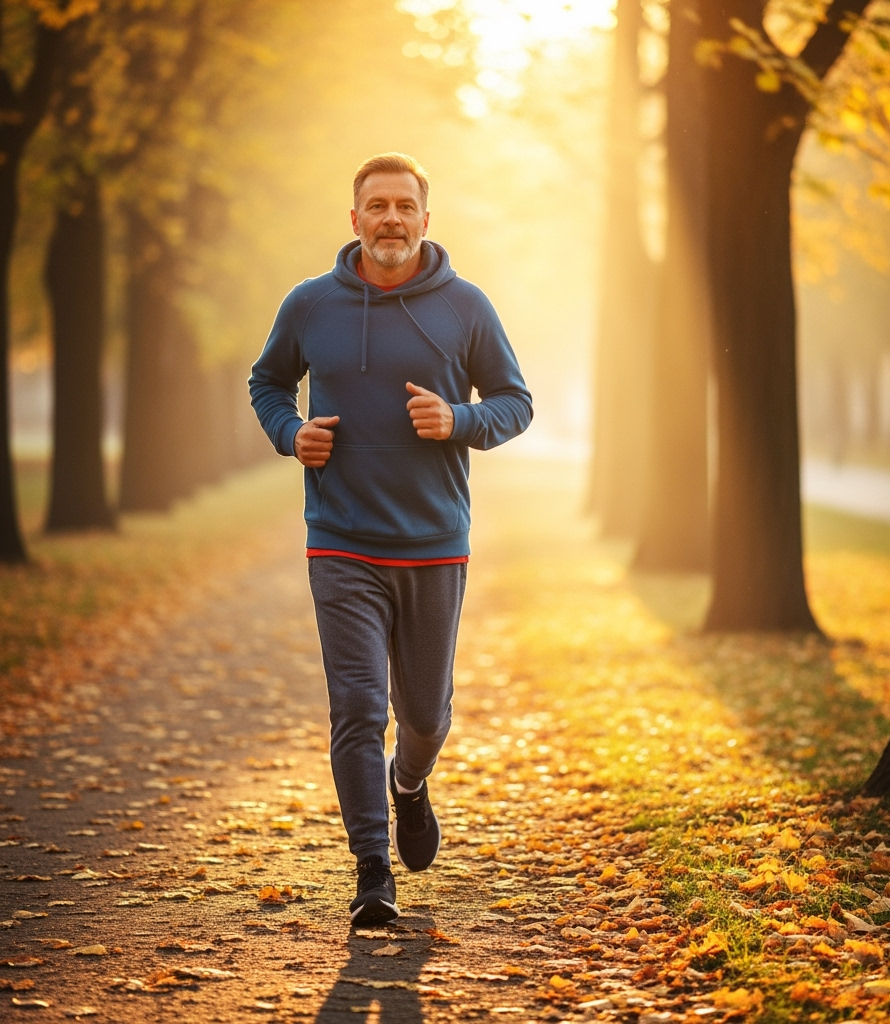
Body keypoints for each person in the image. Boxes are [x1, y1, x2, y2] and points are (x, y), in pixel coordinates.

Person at [249, 153, 532, 924]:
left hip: (434, 540)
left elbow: (515, 401)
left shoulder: (465, 307)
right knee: (357, 709)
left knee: (426, 716)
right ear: (354, 220)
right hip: (340, 538)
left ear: (425, 220)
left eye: (404, 206)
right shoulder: (310, 305)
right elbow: (266, 382)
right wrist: (289, 432)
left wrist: (461, 420)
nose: (391, 219)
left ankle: (409, 785)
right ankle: (372, 871)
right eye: (376, 206)